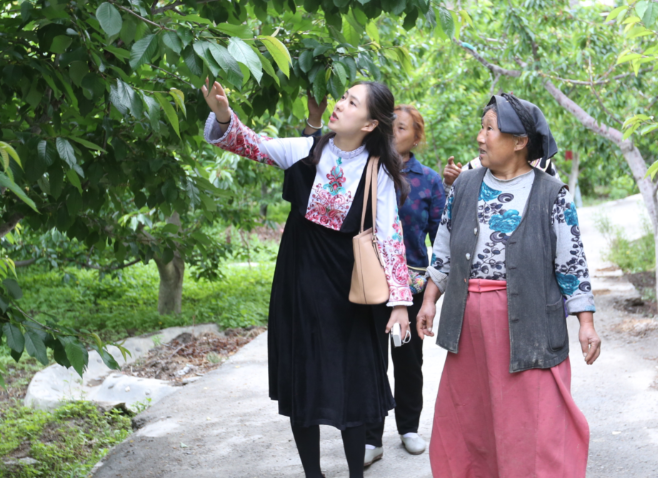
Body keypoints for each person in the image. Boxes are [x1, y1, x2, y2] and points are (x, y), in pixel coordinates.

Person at [202, 80, 412, 478]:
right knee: (303, 380)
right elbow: (249, 143)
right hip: (299, 282)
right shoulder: (305, 149)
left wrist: (399, 302)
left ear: (369, 124)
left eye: (352, 103)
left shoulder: (378, 170)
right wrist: (224, 116)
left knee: (353, 386)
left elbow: (390, 236)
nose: (340, 105)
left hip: (350, 292)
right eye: (343, 97)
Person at [416, 92, 601, 478]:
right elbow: (445, 248)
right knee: (471, 419)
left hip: (529, 324)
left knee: (532, 422)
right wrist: (430, 299)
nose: (480, 137)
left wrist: (585, 323)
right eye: (481, 128)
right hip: (469, 327)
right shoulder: (464, 186)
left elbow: (571, 263)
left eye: (490, 129)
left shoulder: (552, 194)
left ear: (520, 142)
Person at [364, 105, 446, 465]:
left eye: (401, 128)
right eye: (389, 127)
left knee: (409, 361)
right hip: (368, 282)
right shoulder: (367, 170)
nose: (393, 133)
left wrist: (433, 292)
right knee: (370, 361)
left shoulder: (428, 180)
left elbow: (441, 239)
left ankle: (409, 428)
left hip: (411, 287)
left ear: (416, 137)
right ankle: (370, 437)